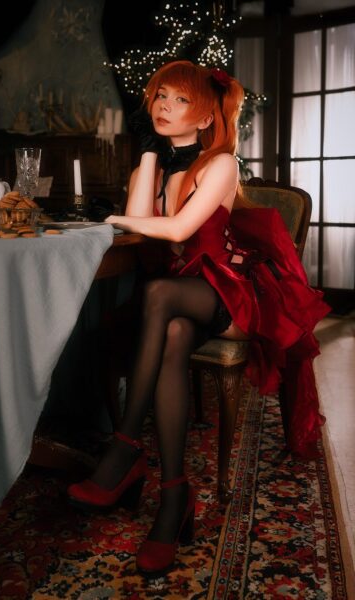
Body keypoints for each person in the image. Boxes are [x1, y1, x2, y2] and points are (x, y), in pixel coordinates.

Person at [67, 60, 330, 575]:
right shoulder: (155, 168)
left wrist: (109, 215)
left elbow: (177, 229)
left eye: (180, 99)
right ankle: (174, 497)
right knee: (172, 327)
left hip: (231, 294)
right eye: (160, 96)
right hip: (178, 301)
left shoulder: (222, 164)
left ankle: (124, 448)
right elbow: (140, 228)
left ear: (207, 117)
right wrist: (148, 153)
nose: (164, 106)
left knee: (160, 293)